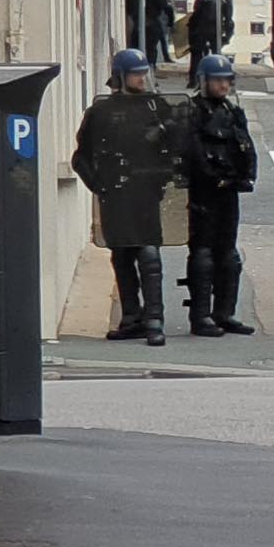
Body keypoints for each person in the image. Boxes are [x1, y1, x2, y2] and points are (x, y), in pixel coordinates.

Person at [72, 48, 178, 346]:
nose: (142, 78)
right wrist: (100, 186)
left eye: (144, 73)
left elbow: (177, 147)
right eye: (136, 73)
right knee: (121, 255)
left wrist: (165, 173)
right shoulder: (101, 112)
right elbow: (80, 158)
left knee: (148, 253)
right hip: (116, 194)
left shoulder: (157, 107)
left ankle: (154, 317)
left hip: (145, 192)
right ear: (120, 76)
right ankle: (131, 316)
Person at [180, 54, 257, 338]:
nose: (223, 84)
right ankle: (200, 316)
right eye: (217, 79)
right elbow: (191, 151)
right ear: (204, 81)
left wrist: (244, 176)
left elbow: (246, 145)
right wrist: (213, 178)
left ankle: (225, 313)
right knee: (203, 253)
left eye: (226, 79)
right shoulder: (193, 111)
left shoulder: (233, 111)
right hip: (204, 191)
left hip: (229, 192)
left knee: (229, 255)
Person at [183, 0, 221, 90]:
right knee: (215, 57)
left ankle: (195, 81)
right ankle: (211, 79)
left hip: (201, 32)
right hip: (212, 33)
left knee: (197, 57)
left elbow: (195, 15)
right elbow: (228, 18)